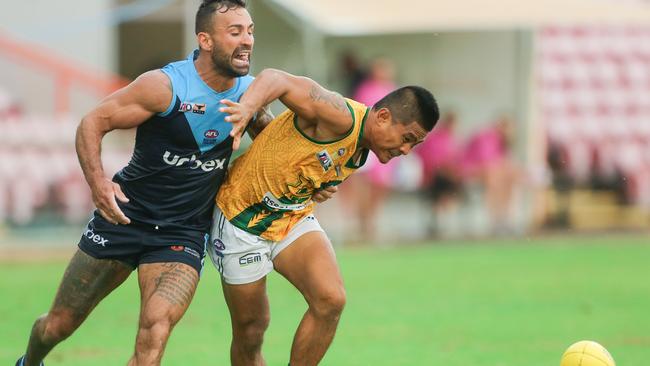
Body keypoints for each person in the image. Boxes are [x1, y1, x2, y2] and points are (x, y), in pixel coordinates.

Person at [16, 1, 267, 365]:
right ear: (206, 40)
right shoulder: (164, 87)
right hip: (123, 220)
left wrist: (315, 179)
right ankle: (29, 362)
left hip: (181, 234)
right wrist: (99, 183)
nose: (247, 40)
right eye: (235, 32)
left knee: (156, 329)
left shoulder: (250, 95)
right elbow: (92, 122)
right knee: (58, 325)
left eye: (250, 31)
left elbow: (276, 150)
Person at [211, 68, 439, 365]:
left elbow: (296, 150)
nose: (406, 150)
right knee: (251, 330)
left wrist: (313, 184)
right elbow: (274, 78)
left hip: (291, 217)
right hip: (241, 220)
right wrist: (247, 109)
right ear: (382, 117)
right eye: (407, 138)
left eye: (414, 144)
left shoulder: (363, 147)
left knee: (331, 300)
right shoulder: (339, 113)